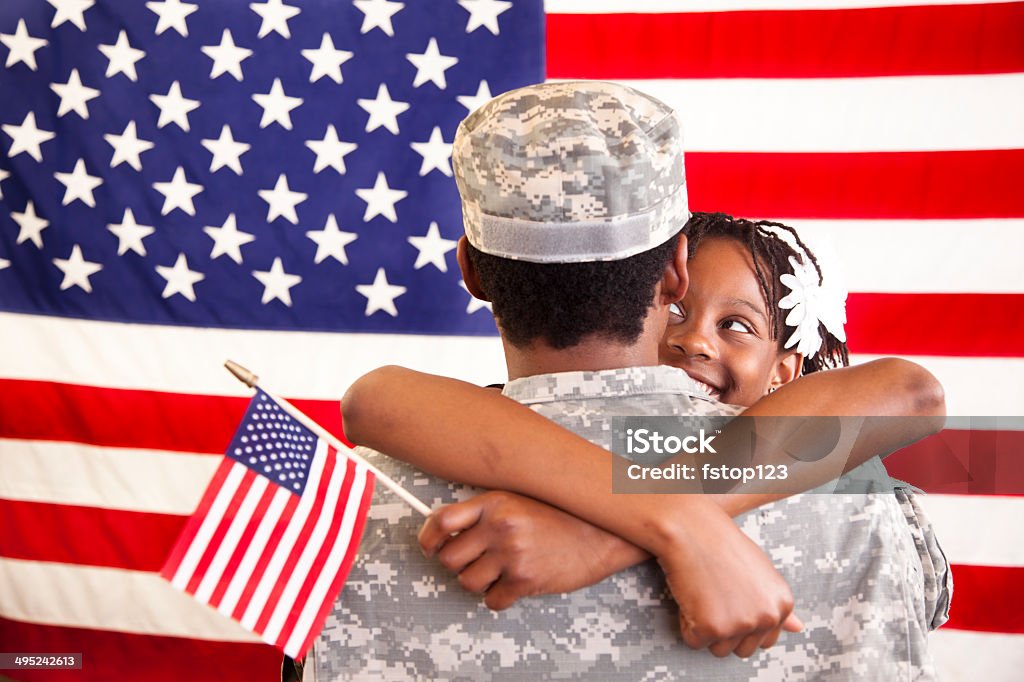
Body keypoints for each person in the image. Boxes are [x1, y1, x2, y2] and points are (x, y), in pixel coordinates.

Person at [316, 82, 946, 679]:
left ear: (471, 271)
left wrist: (601, 539)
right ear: (677, 268)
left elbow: (372, 401)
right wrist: (676, 520)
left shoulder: (343, 505)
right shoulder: (847, 482)